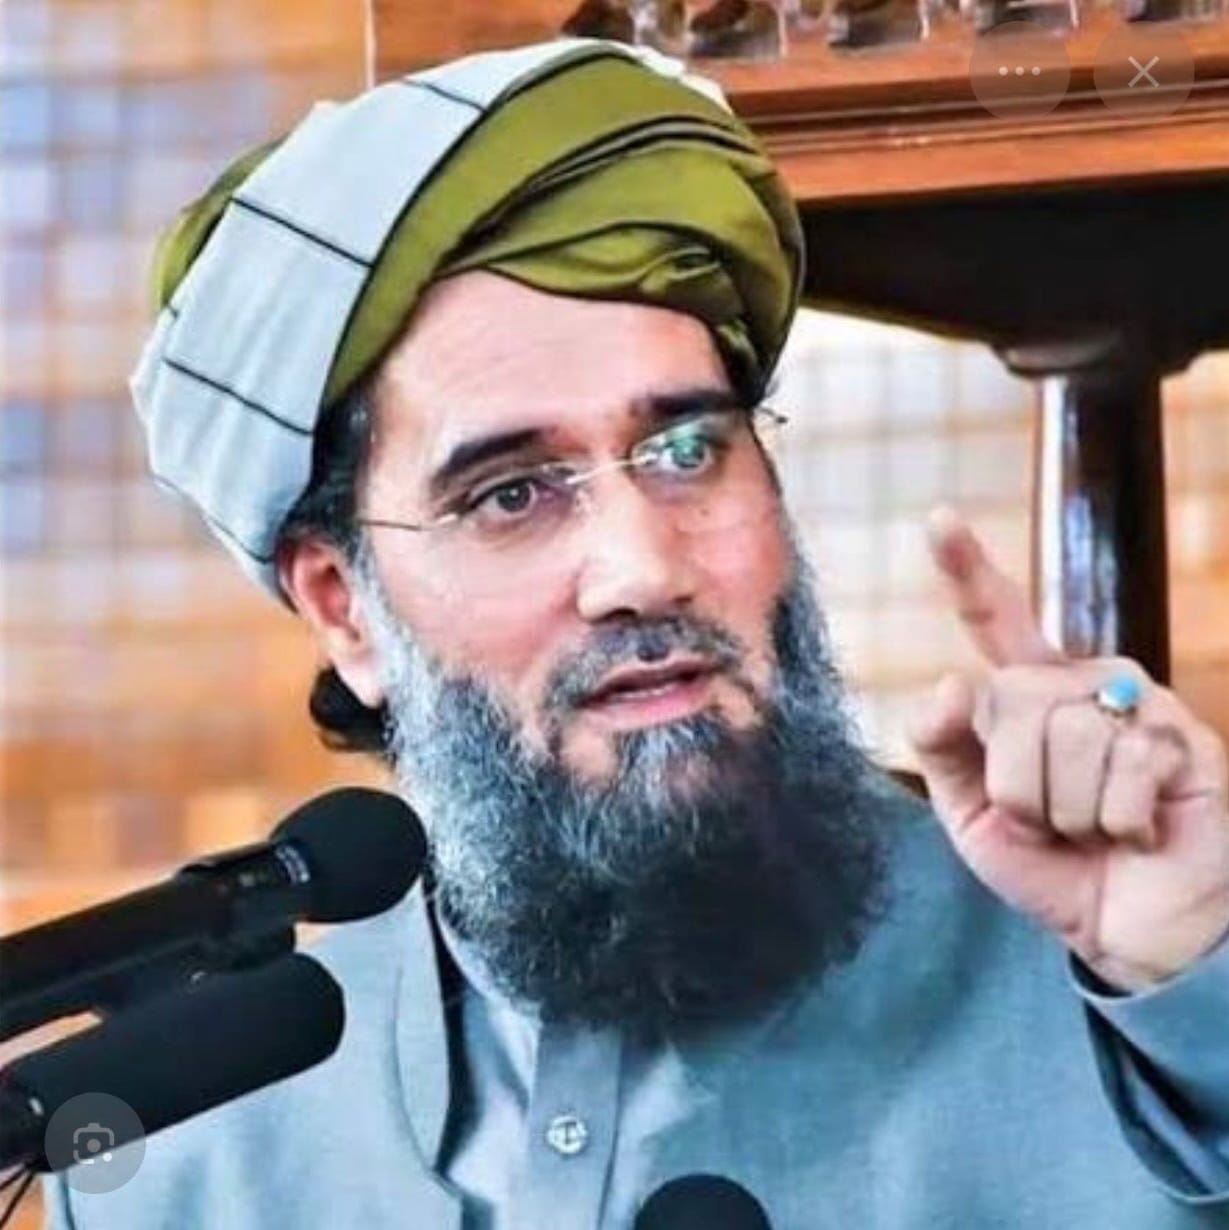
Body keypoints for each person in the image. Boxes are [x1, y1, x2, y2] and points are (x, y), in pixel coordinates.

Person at [44, 36, 1229, 1230]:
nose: (643, 569)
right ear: (343, 607)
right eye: (511, 493)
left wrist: (1198, 967)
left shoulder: (1120, 982)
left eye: (686, 449)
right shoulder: (195, 1137)